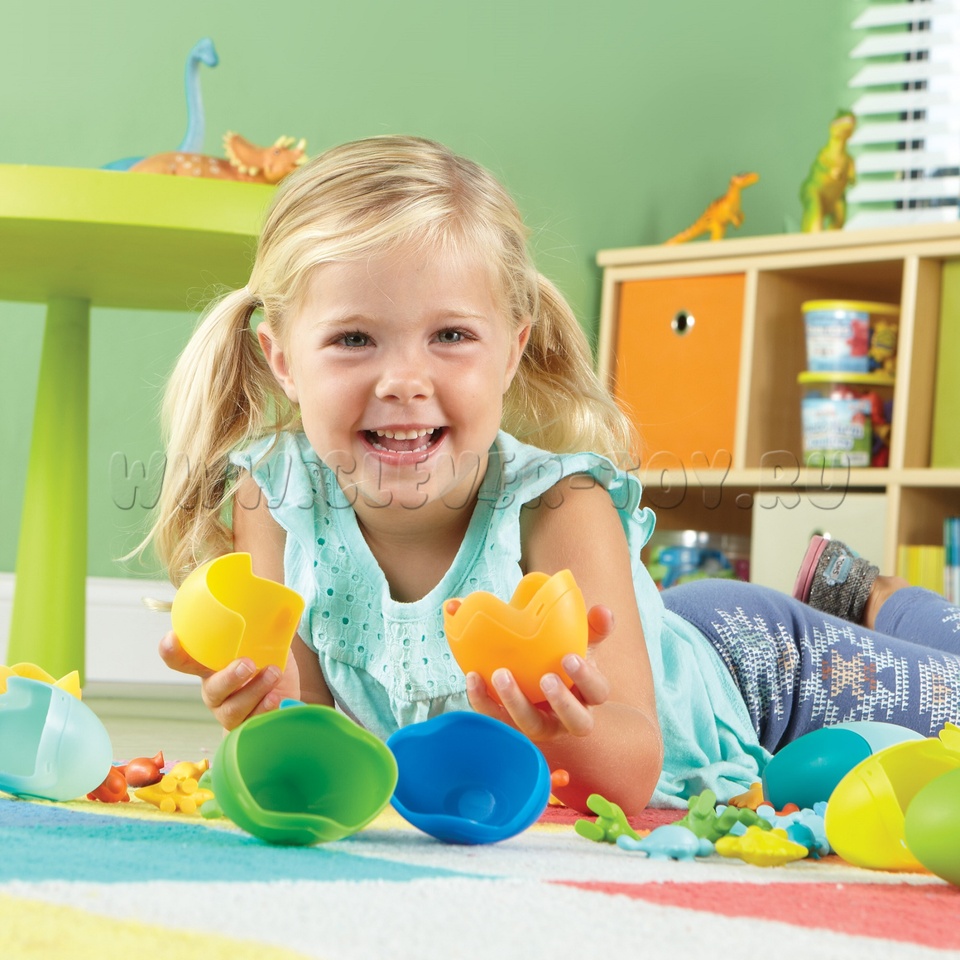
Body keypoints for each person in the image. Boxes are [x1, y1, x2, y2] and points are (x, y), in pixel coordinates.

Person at [146, 135, 960, 814]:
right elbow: (319, 746)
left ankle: (877, 599)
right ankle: (859, 596)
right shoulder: (274, 497)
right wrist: (264, 705)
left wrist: (554, 726)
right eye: (354, 339)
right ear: (282, 360)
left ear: (513, 349)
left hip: (763, 673)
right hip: (676, 633)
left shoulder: (560, 505)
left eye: (451, 336)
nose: (404, 380)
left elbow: (632, 774)